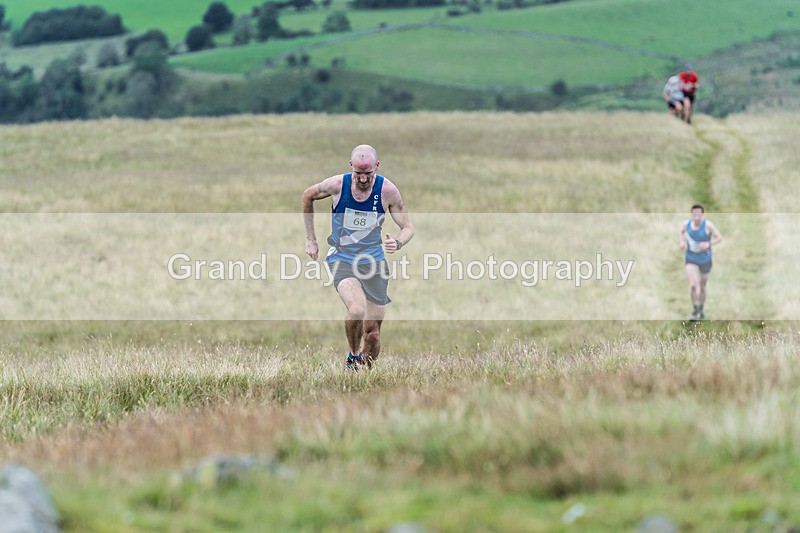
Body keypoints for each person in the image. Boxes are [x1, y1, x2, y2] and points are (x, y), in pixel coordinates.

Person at [302, 144, 414, 369]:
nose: (363, 179)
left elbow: (408, 227)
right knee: (356, 309)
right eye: (358, 174)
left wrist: (398, 242)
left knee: (372, 334)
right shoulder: (336, 185)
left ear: (377, 167)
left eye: (369, 174)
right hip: (342, 258)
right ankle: (353, 355)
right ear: (350, 166)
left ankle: (363, 375)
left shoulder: (388, 191)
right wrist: (311, 239)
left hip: (374, 263)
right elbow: (308, 196)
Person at [679, 204, 722, 321]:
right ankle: (695, 310)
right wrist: (682, 242)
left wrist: (709, 244)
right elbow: (681, 233)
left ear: (702, 215)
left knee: (702, 286)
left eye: (698, 214)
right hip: (691, 258)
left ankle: (701, 310)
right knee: (693, 285)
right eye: (694, 214)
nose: (696, 216)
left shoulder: (708, 225)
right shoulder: (686, 224)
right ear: (691, 215)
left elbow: (719, 237)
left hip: (705, 259)